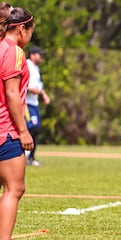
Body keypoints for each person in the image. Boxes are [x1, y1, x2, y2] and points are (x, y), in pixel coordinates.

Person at [0, 2, 35, 240]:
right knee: (14, 189)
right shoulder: (14, 51)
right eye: (31, 31)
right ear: (22, 28)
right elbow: (12, 93)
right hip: (6, 130)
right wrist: (23, 131)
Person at [25, 45, 50, 166]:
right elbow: (22, 84)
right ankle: (24, 155)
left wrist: (44, 95)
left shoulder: (36, 68)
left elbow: (39, 85)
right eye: (39, 55)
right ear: (32, 55)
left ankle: (31, 157)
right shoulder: (26, 65)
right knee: (31, 128)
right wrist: (32, 90)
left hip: (34, 103)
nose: (41, 57)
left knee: (36, 129)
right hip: (26, 104)